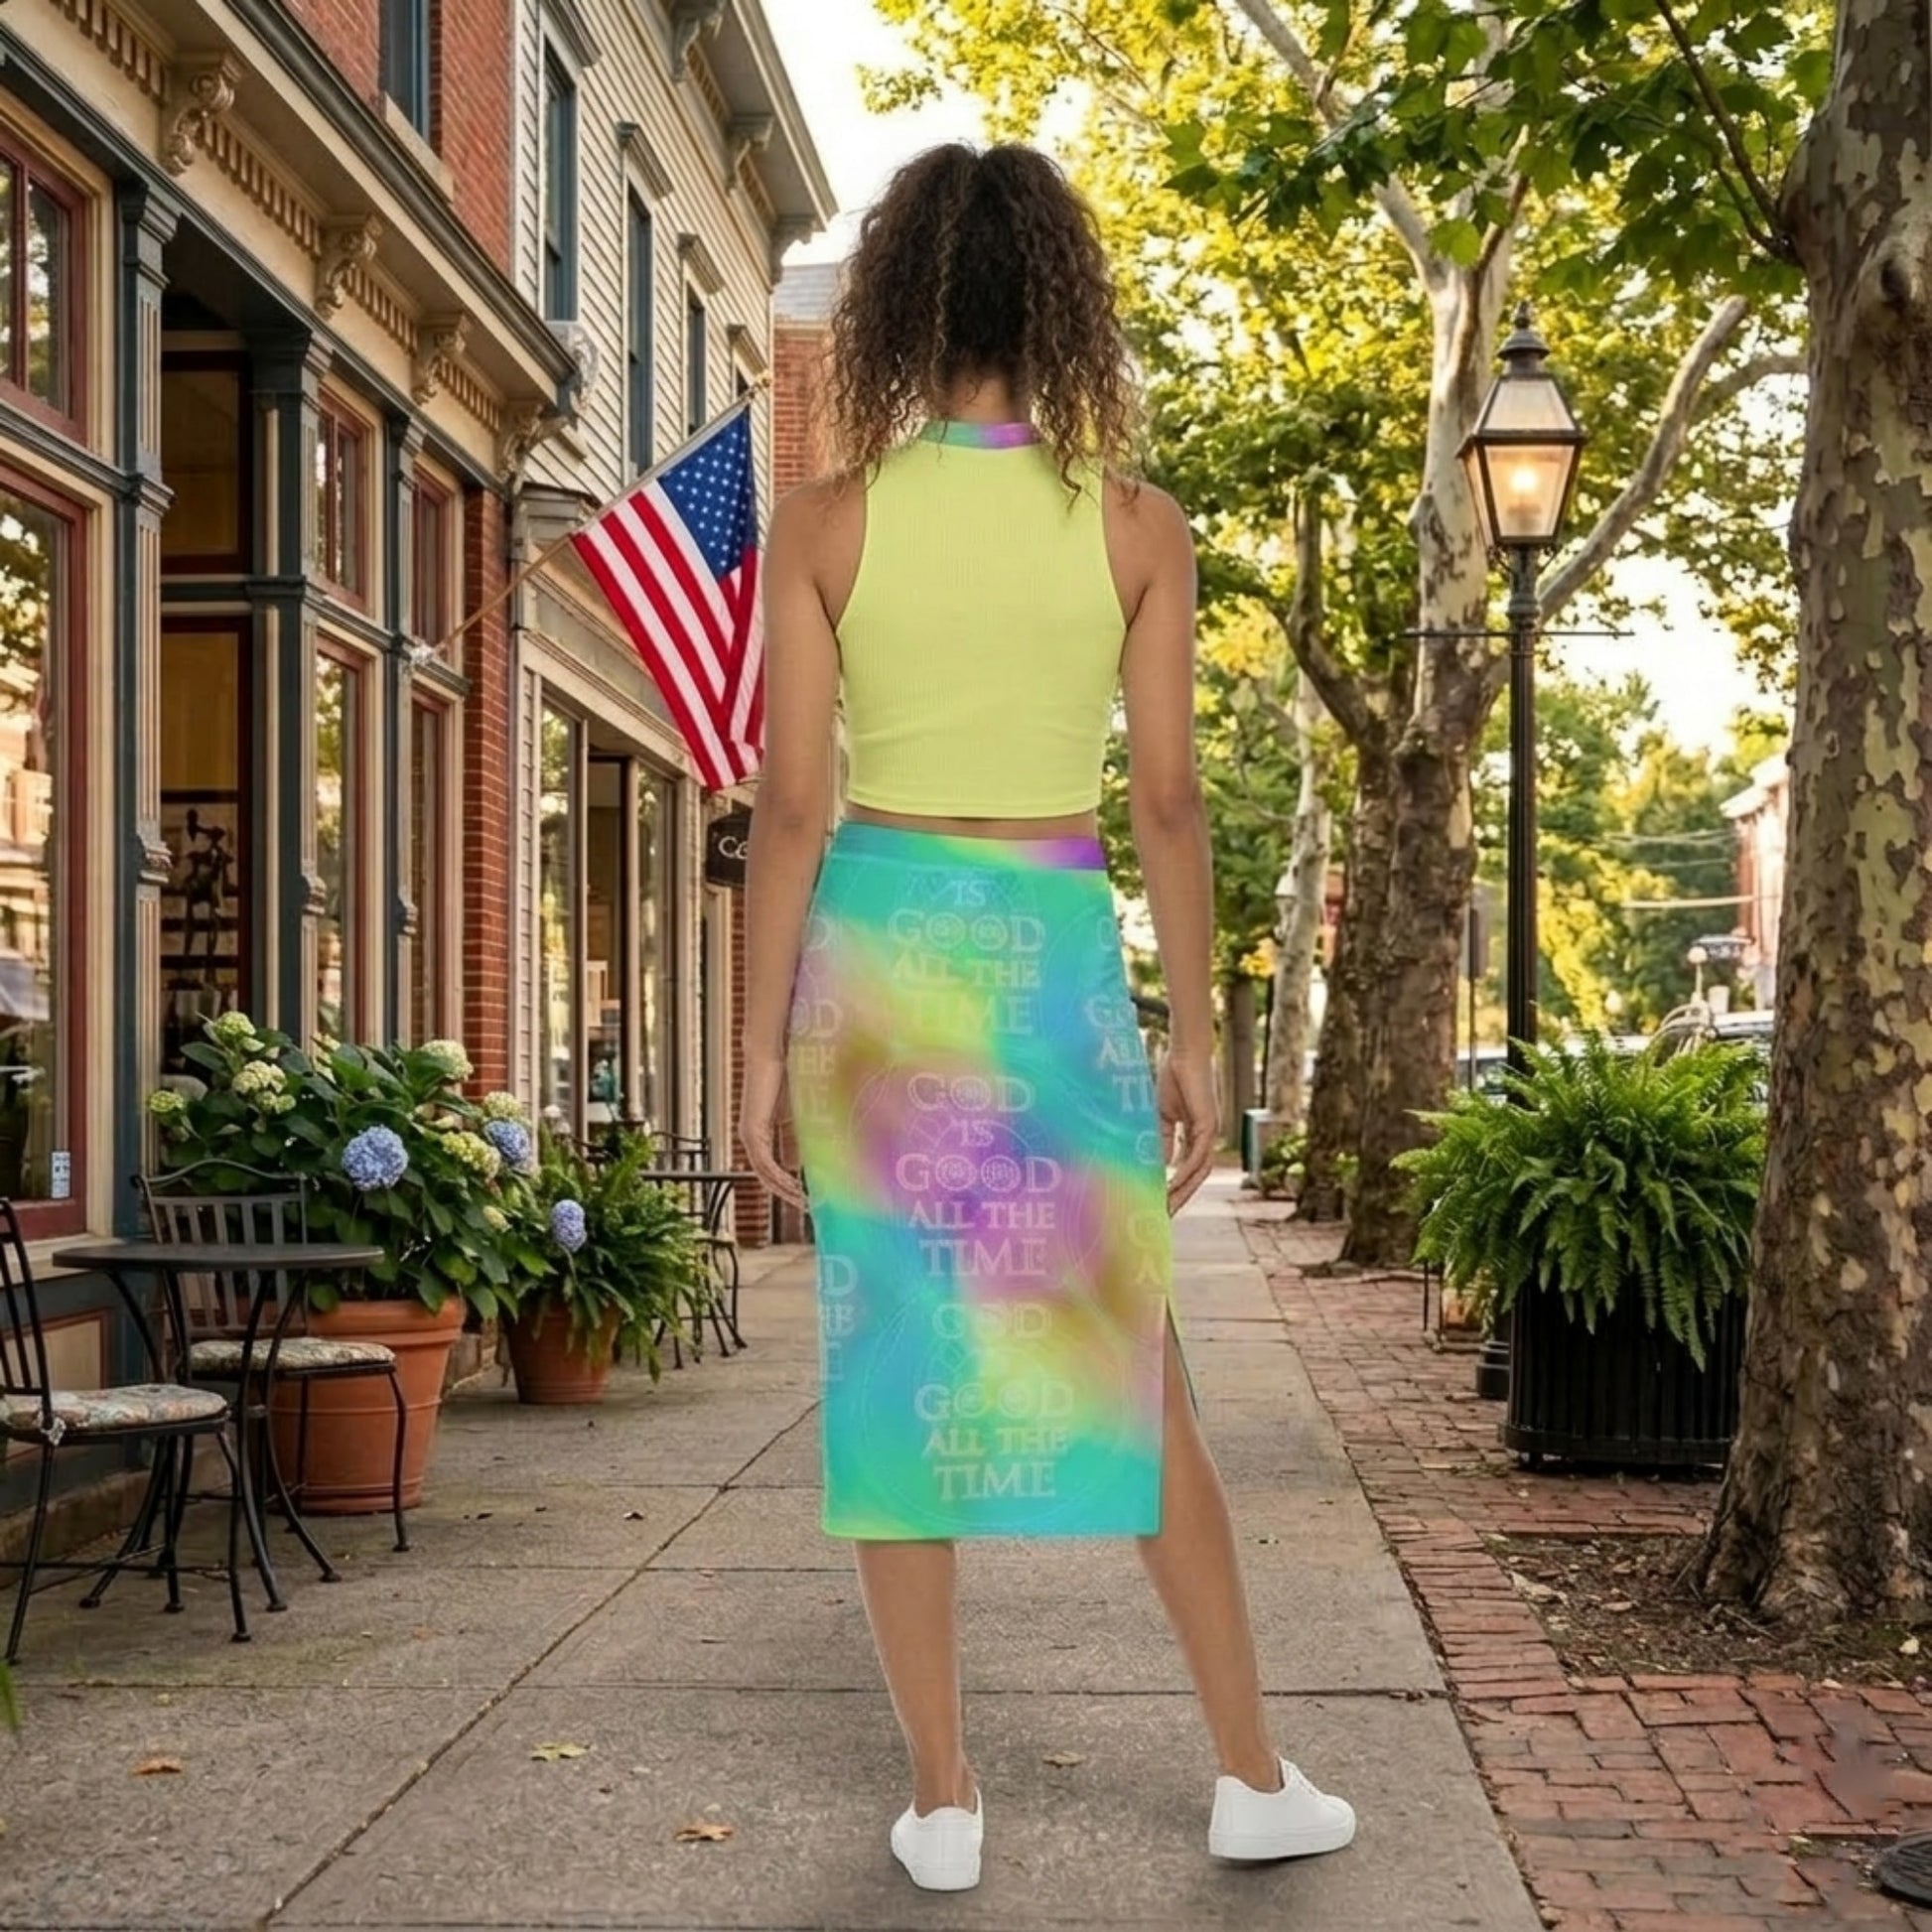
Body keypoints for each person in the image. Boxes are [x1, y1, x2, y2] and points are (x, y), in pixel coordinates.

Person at [737, 140, 1355, 1894]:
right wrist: (1197, 1041)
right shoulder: (1131, 519)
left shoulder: (831, 517)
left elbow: (789, 807)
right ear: (1058, 305)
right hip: (1049, 953)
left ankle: (941, 1795)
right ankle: (1249, 1772)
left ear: (901, 305)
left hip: (877, 956)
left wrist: (758, 1045)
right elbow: (1170, 802)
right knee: (1130, 1367)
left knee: (897, 1375)